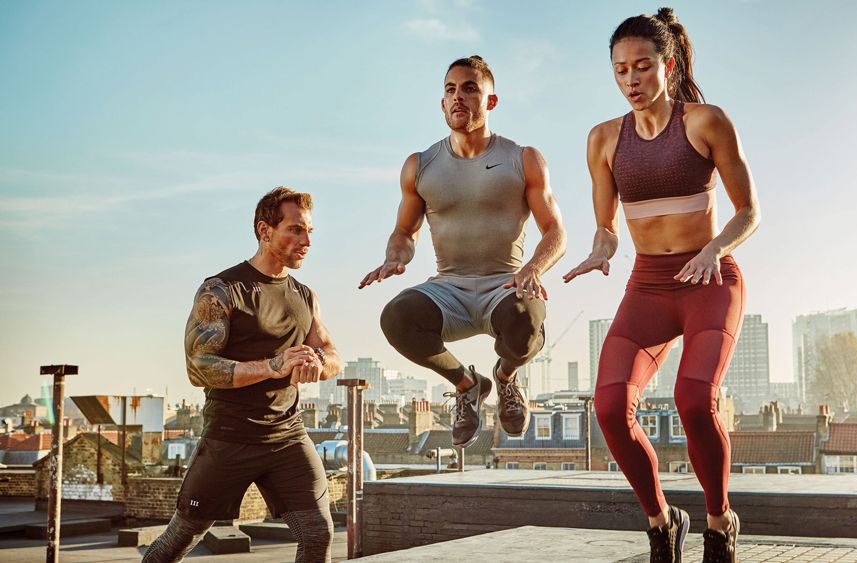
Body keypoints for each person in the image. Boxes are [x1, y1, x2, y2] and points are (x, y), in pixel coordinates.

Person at [563, 8, 760, 563]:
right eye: (620, 70)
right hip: (648, 285)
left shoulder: (705, 122)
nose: (631, 80)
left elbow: (749, 211)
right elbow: (606, 230)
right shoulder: (603, 139)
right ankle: (662, 520)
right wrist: (598, 253)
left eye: (642, 67)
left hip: (710, 280)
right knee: (607, 408)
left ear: (667, 66)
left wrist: (715, 248)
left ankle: (719, 522)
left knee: (694, 399)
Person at [360, 55, 566, 447]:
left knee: (526, 319)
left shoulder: (522, 159)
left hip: (504, 284)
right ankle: (468, 384)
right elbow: (405, 231)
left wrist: (534, 268)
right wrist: (395, 258)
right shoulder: (420, 165)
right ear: (442, 104)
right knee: (396, 317)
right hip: (448, 288)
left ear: (490, 102)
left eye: (470, 88)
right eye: (450, 90)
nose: (458, 97)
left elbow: (556, 231)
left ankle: (505, 378)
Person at [143, 187, 342, 563]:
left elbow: (332, 355)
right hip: (229, 439)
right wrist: (273, 365)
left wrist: (317, 360)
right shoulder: (221, 290)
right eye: (295, 230)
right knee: (179, 540)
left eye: (310, 231)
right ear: (265, 231)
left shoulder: (305, 296)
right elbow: (198, 367)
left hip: (288, 437)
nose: (307, 241)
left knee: (319, 533)